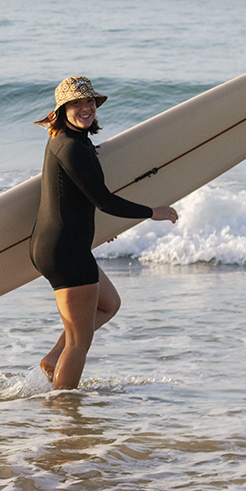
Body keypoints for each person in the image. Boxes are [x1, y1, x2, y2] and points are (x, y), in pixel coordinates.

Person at [29, 76, 177, 389]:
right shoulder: (72, 148)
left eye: (89, 101)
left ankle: (53, 359)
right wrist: (153, 212)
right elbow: (103, 200)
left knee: (108, 305)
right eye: (77, 103)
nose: (85, 108)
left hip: (59, 244)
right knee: (79, 343)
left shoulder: (69, 141)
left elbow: (74, 199)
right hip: (67, 248)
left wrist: (97, 230)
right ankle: (64, 416)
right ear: (62, 109)